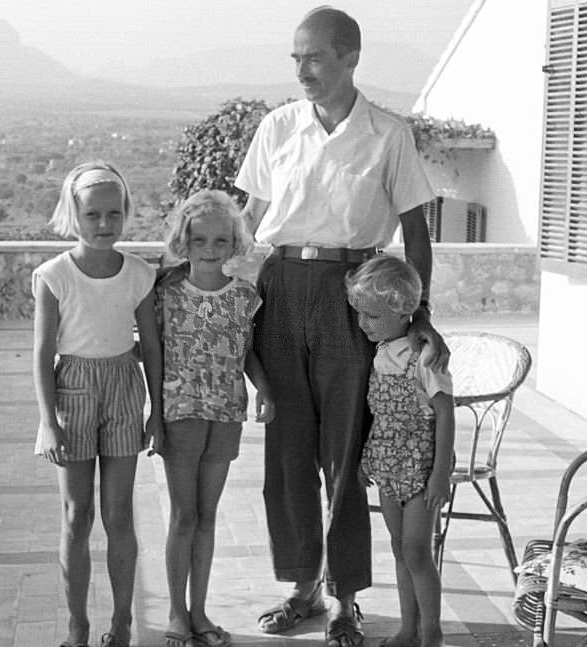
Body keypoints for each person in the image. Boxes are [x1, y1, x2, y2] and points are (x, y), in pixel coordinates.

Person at [233, 6, 450, 647]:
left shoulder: (388, 133)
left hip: (352, 294)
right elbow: (247, 223)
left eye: (315, 57)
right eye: (296, 57)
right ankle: (301, 588)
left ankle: (346, 598)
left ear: (351, 58)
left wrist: (422, 313)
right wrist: (224, 300)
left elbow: (415, 231)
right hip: (279, 287)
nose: (301, 69)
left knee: (347, 452)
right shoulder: (277, 127)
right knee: (288, 451)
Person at [32, 161, 163, 647]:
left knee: (120, 514)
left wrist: (158, 414)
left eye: (114, 213)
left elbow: (151, 347)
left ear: (126, 213)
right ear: (74, 214)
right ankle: (77, 625)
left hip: (125, 387)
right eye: (93, 215)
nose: (104, 224)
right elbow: (44, 352)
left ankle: (123, 622)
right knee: (75, 515)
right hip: (73, 389)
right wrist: (49, 421)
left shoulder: (139, 274)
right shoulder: (53, 275)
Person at [154, 189, 276, 647]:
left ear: (234, 244)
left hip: (226, 414)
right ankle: (174, 612)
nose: (209, 250)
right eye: (199, 240)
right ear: (183, 241)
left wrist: (263, 387)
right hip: (181, 413)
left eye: (220, 241)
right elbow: (148, 350)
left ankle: (200, 610)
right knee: (183, 516)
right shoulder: (164, 293)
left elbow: (246, 353)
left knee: (208, 516)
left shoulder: (244, 297)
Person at [346, 255, 454, 647]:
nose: (363, 324)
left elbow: (445, 414)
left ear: (401, 309)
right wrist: (366, 459)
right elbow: (381, 416)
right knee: (398, 548)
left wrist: (440, 473)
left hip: (422, 469)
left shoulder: (426, 356)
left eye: (372, 317)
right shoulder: (380, 352)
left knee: (417, 551)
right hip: (388, 466)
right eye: (360, 314)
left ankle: (432, 633)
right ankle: (408, 628)